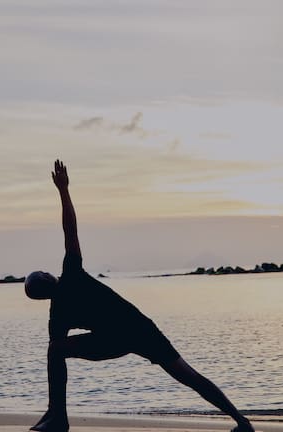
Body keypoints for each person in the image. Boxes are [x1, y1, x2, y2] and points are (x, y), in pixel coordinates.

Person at [25, 160, 255, 432]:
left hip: (124, 336)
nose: (46, 277)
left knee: (56, 350)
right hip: (132, 332)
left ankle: (56, 417)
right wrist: (63, 190)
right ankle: (242, 422)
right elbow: (70, 230)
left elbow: (70, 230)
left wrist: (64, 190)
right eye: (42, 279)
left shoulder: (61, 302)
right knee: (188, 375)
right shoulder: (71, 276)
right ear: (49, 280)